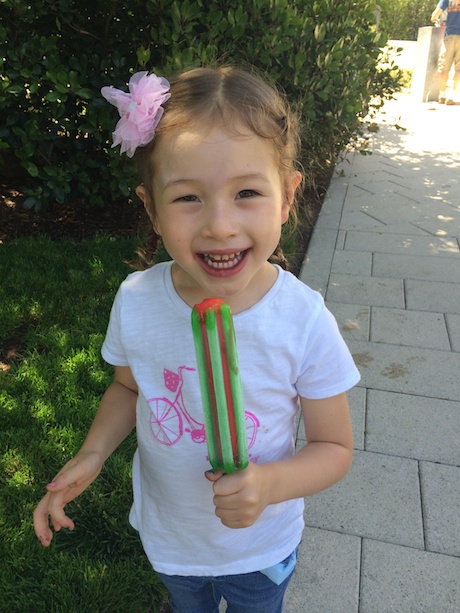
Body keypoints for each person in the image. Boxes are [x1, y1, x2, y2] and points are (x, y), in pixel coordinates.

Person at [33, 66, 360, 613]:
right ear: (151, 208)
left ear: (287, 198)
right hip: (170, 538)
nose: (220, 225)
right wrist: (93, 452)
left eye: (248, 192)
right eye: (188, 198)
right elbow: (128, 390)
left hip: (260, 544)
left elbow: (335, 448)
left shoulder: (301, 319)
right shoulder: (137, 300)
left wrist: (270, 483)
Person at [431, 0, 460, 104]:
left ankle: (442, 95)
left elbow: (435, 15)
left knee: (445, 67)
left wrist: (435, 18)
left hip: (450, 35)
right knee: (458, 69)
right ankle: (451, 96)